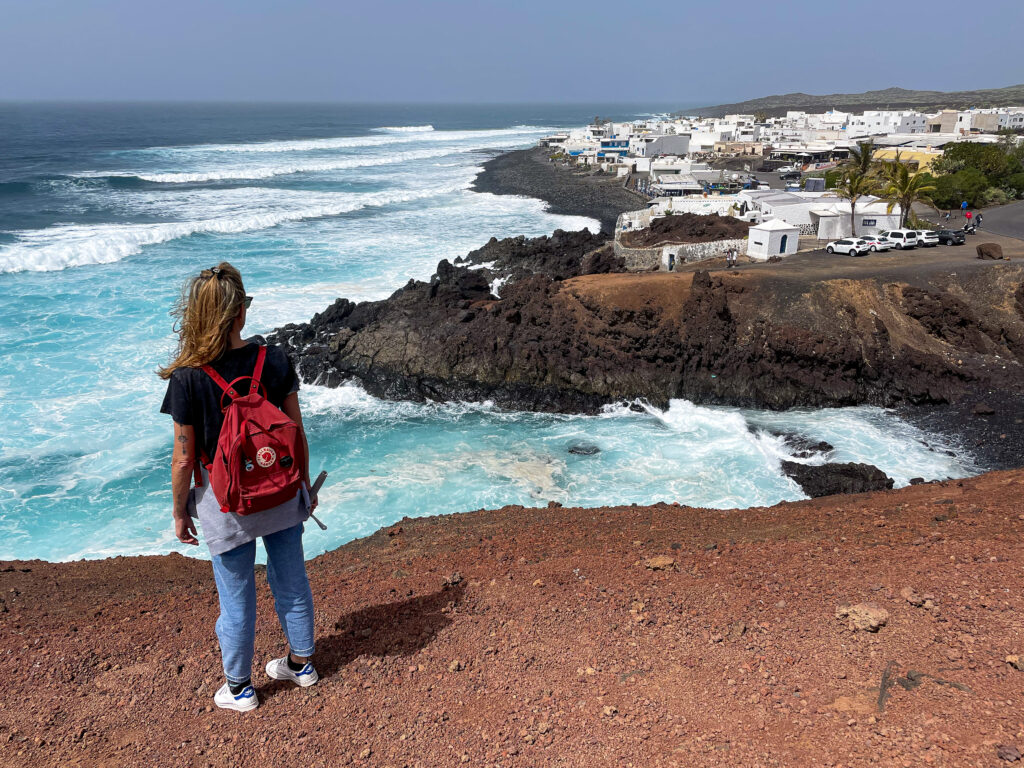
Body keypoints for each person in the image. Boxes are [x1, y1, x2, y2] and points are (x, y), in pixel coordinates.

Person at [159, 263, 319, 712]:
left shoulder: (189, 377)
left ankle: (240, 689)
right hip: (282, 490)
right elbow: (296, 431)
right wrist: (303, 487)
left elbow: (184, 458)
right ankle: (302, 664)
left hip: (226, 503)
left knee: (236, 596)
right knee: (291, 578)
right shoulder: (275, 358)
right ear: (239, 314)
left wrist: (180, 511)